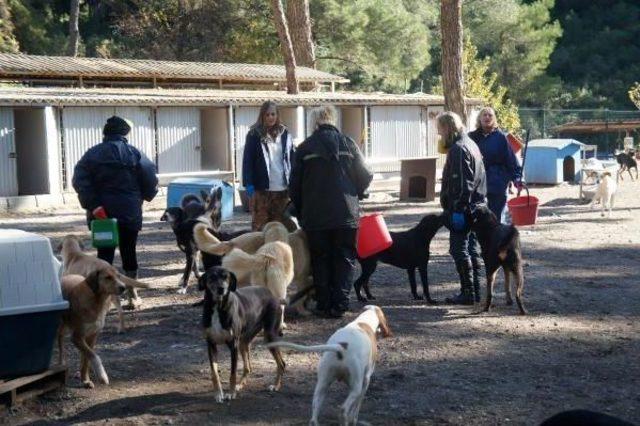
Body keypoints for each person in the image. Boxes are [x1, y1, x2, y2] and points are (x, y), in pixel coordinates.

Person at [289, 105, 373, 318]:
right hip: (346, 213)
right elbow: (366, 174)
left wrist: (299, 211)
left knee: (320, 258)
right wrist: (357, 192)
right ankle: (341, 303)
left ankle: (323, 303)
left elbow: (295, 186)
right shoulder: (348, 143)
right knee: (345, 257)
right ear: (333, 120)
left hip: (315, 215)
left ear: (314, 123)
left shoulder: (305, 148)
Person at [72, 116, 158, 309]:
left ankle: (104, 300)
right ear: (125, 133)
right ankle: (132, 296)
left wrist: (93, 205)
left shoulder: (91, 154)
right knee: (129, 250)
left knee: (104, 254)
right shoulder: (135, 153)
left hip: (102, 214)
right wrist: (142, 197)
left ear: (106, 133)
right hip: (129, 212)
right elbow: (150, 178)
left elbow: (80, 180)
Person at [438, 111, 487, 305]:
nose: (439, 135)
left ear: (447, 127)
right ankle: (476, 291)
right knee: (472, 249)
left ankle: (467, 292)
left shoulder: (459, 149)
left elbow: (462, 182)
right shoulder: (471, 144)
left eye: (440, 130)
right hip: (477, 206)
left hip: (465, 208)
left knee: (458, 249)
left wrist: (457, 208)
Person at [242, 101, 295, 231]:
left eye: (273, 114)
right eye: (267, 114)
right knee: (259, 228)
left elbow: (292, 158)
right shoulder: (254, 135)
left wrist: (294, 181)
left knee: (278, 228)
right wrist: (248, 183)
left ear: (277, 115)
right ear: (262, 116)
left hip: (282, 189)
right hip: (261, 189)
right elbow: (247, 160)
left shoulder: (286, 134)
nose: (271, 117)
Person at [468, 107, 522, 222]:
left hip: (497, 181)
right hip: (477, 182)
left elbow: (510, 159)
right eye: (484, 115)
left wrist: (517, 177)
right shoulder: (472, 137)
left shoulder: (500, 137)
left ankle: (498, 239)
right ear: (480, 118)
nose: (487, 117)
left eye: (490, 115)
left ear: (494, 119)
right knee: (477, 215)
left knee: (497, 218)